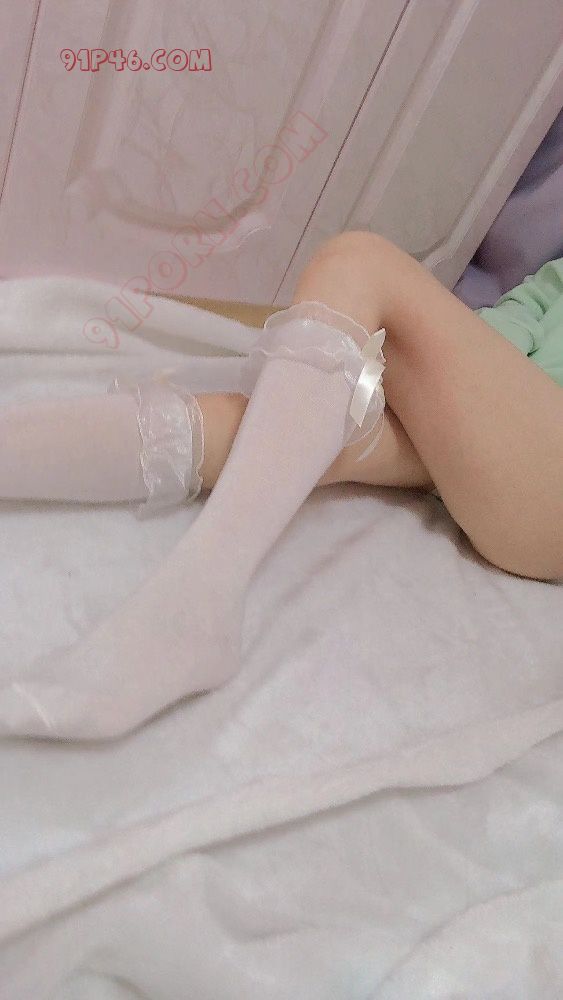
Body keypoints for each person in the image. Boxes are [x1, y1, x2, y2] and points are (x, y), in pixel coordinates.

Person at [1, 231, 562, 741]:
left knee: (356, 262)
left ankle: (194, 599)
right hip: (512, 439)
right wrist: (442, 386)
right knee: (278, 422)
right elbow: (530, 307)